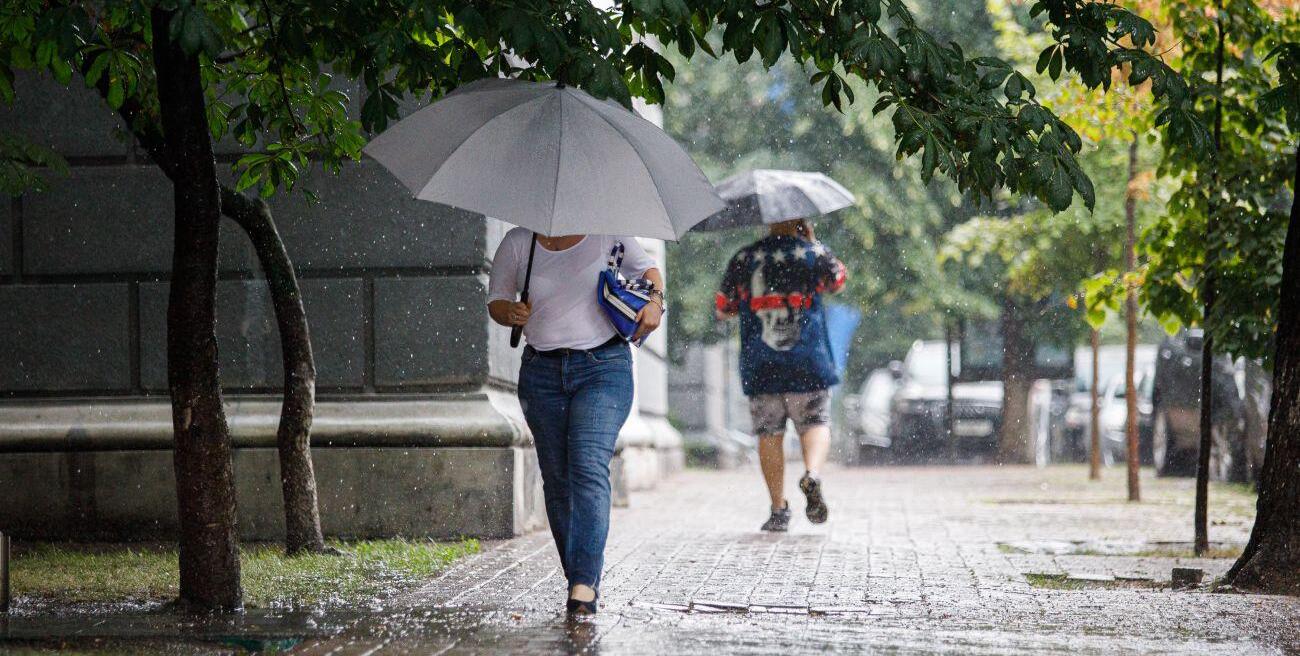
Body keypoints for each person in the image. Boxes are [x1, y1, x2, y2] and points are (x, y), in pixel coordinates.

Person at [488, 228, 664, 615]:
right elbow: (496, 300)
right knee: (558, 478)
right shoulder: (520, 244)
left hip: (604, 368)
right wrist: (511, 312)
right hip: (541, 373)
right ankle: (579, 577)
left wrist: (655, 303)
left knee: (586, 463)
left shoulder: (608, 235)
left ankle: (584, 583)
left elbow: (650, 270)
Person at [715, 218, 847, 532]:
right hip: (808, 361)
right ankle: (812, 473)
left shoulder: (744, 259)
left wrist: (749, 306)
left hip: (762, 363)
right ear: (799, 219)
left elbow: (722, 307)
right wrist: (813, 242)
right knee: (814, 422)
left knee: (769, 432)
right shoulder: (813, 254)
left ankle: (778, 509)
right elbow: (838, 279)